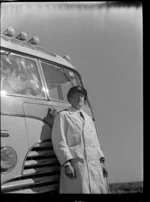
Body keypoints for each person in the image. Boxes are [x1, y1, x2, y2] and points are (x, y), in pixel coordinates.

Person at [52, 86, 108, 194]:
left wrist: (101, 163)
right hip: (76, 164)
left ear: (84, 99)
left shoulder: (88, 119)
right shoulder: (63, 115)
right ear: (70, 99)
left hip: (94, 165)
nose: (79, 98)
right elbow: (59, 141)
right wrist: (66, 164)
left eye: (81, 96)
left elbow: (95, 143)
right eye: (75, 96)